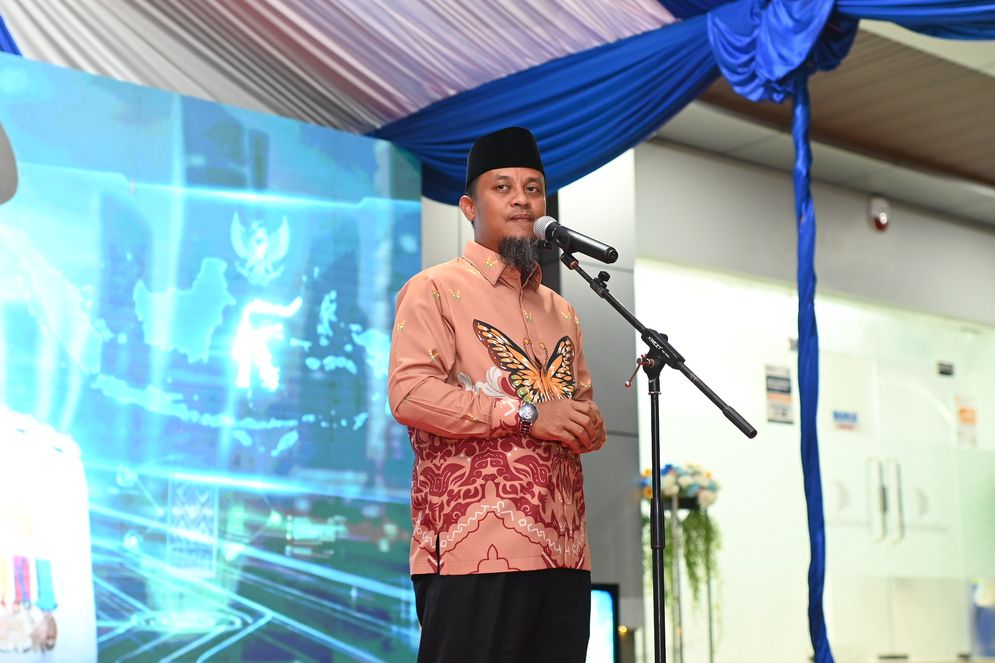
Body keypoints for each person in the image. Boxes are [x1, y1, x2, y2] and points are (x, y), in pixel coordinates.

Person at [387, 126, 608, 663]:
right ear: (469, 206)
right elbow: (410, 393)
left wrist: (588, 424)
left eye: (533, 189)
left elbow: (578, 405)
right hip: (474, 550)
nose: (522, 200)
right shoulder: (435, 288)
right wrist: (526, 413)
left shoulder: (562, 309)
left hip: (563, 554)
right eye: (503, 187)